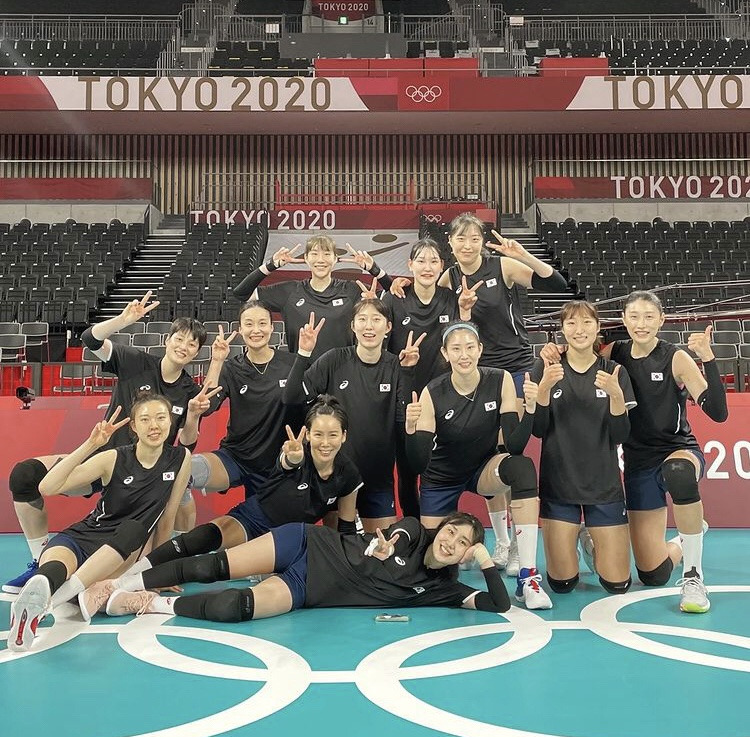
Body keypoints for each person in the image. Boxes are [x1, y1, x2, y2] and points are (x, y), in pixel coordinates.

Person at [4, 294, 207, 594]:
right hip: (105, 462)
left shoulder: (190, 390)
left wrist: (193, 415)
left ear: (197, 352)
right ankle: (40, 561)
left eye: (192, 344)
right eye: (179, 339)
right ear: (167, 340)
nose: (184, 347)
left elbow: (188, 444)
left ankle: (169, 566)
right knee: (24, 476)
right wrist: (123, 320)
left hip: (146, 475)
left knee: (182, 502)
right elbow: (90, 339)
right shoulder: (135, 361)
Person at [541, 290, 728, 613]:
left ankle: (693, 576)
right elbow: (581, 348)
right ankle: (683, 538)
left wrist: (708, 359)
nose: (642, 324)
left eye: (649, 317)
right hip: (638, 461)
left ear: (661, 320)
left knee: (679, 474)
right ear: (624, 320)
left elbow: (718, 412)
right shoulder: (614, 352)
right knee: (652, 573)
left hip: (676, 450)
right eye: (634, 317)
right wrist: (555, 350)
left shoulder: (676, 358)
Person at [92, 395, 362, 604]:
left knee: (210, 567)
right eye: (318, 434)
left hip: (286, 539)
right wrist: (292, 458)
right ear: (308, 435)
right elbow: (287, 462)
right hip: (253, 519)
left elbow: (346, 527)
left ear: (344, 436)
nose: (325, 443)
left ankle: (133, 584)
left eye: (333, 435)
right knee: (200, 539)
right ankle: (123, 579)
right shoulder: (295, 453)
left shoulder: (348, 473)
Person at [7, 394, 193, 651]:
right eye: (145, 419)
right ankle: (39, 597)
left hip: (123, 547)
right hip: (82, 536)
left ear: (170, 422)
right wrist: (91, 444)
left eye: (161, 418)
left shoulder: (180, 457)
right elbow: (47, 487)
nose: (154, 425)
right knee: (55, 566)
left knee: (134, 528)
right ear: (134, 426)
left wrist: (159, 570)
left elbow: (168, 515)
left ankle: (47, 604)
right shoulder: (114, 458)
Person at [438, 213, 568, 570]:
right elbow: (436, 314)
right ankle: (504, 543)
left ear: (482, 241)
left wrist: (524, 256)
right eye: (460, 239)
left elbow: (555, 284)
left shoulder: (503, 267)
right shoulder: (449, 278)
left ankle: (516, 546)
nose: (467, 245)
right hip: (477, 373)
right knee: (489, 455)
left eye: (474, 238)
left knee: (511, 451)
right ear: (450, 243)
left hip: (516, 367)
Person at [103, 512, 511, 622]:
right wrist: (388, 547)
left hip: (309, 588)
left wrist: (486, 559)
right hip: (307, 543)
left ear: (466, 554)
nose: (451, 542)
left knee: (236, 607)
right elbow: (399, 534)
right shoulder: (415, 533)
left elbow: (499, 604)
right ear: (442, 527)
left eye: (463, 544)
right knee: (212, 567)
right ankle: (123, 582)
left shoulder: (447, 589)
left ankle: (150, 604)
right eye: (451, 531)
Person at [405, 321, 551, 610]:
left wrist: (531, 409)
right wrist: (410, 430)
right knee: (434, 568)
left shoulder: (500, 379)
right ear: (445, 353)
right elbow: (418, 463)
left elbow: (515, 446)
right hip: (440, 478)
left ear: (480, 349)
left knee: (521, 467)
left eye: (470, 347)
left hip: (482, 469)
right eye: (456, 349)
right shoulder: (432, 392)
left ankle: (528, 577)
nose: (464, 355)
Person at [528, 300, 636, 596]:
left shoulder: (613, 371)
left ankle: (588, 540)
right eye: (572, 323)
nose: (579, 329)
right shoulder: (546, 367)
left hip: (603, 486)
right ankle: (574, 535)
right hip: (559, 485)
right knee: (562, 584)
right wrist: (543, 390)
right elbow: (538, 430)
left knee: (617, 585)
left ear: (598, 327)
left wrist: (616, 396)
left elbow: (620, 435)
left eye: (587, 322)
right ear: (562, 330)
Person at [282, 298, 418, 532]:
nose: (369, 326)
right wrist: (303, 353)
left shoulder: (397, 366)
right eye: (362, 319)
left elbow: (404, 420)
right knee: (339, 546)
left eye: (376, 319)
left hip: (378, 478)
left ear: (388, 327)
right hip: (336, 476)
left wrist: (409, 372)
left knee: (381, 547)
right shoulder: (334, 359)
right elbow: (291, 397)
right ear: (353, 326)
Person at [380, 237, 477, 518]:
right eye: (421, 261)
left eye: (433, 261)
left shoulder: (450, 298)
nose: (427, 267)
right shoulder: (395, 298)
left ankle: (441, 523)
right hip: (404, 398)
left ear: (441, 266)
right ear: (410, 264)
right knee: (408, 471)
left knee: (440, 468)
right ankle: (414, 526)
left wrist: (466, 311)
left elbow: (465, 340)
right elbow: (381, 351)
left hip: (443, 398)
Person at [185, 300, 303, 500]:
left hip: (278, 463)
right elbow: (208, 406)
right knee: (179, 473)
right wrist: (217, 360)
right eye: (249, 324)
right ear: (240, 329)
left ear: (272, 327)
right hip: (235, 457)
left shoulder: (292, 364)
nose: (256, 330)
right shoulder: (231, 368)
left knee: (258, 517)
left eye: (262, 323)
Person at [232, 235, 392, 359]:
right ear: (306, 259)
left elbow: (395, 293)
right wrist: (270, 265)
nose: (320, 260)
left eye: (327, 254)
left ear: (335, 259)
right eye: (314, 254)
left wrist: (374, 269)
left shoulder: (351, 290)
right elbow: (241, 293)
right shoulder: (289, 291)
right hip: (302, 374)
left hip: (343, 374)